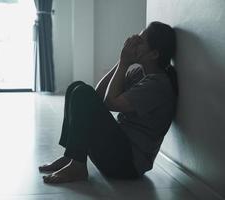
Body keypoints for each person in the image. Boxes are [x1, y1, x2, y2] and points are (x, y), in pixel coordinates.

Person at [39, 21, 178, 184]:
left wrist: (124, 61)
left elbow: (111, 103)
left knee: (82, 93)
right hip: (118, 148)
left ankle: (77, 167)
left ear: (154, 54)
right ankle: (70, 156)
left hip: (128, 164)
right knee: (76, 88)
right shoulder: (140, 72)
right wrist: (122, 62)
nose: (133, 43)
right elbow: (99, 95)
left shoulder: (157, 84)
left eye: (139, 42)